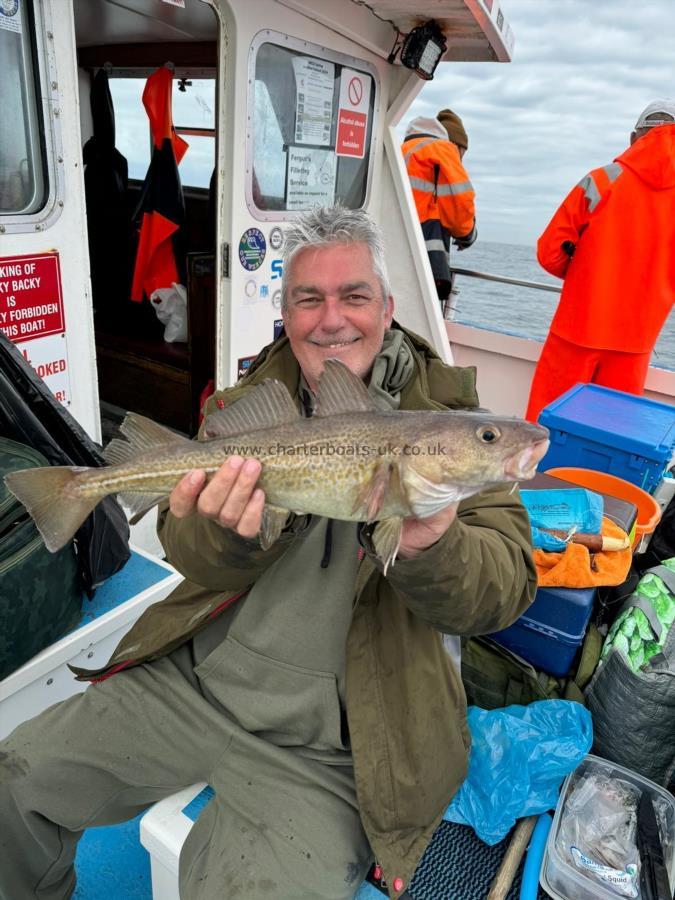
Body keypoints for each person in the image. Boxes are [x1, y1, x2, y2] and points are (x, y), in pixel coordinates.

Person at [0, 206, 537, 900]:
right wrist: (228, 530)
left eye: (354, 295)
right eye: (308, 299)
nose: (331, 318)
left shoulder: (449, 426)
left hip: (331, 749)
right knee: (15, 780)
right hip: (193, 683)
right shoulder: (245, 406)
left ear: (388, 307)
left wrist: (435, 542)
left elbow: (501, 592)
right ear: (285, 311)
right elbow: (187, 552)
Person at [526, 99, 675, 423]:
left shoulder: (602, 180)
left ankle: (540, 476)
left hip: (576, 329)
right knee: (610, 435)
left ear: (635, 138)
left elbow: (549, 252)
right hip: (636, 343)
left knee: (548, 425)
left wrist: (586, 276)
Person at [401, 108, 477, 316]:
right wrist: (469, 236)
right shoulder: (443, 151)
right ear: (456, 144)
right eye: (463, 152)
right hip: (425, 259)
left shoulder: (404, 149)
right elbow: (461, 208)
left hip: (394, 251)